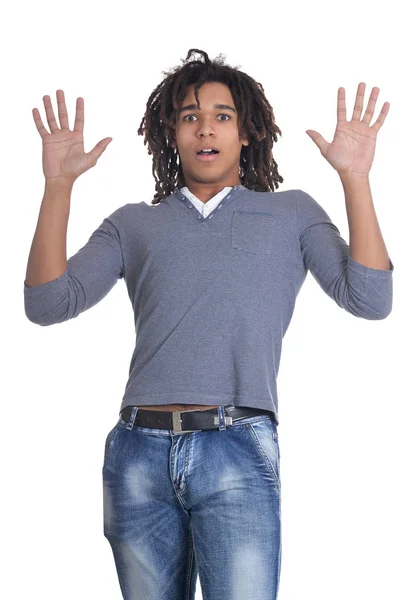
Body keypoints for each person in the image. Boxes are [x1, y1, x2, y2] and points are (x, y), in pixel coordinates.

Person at [24, 48, 394, 600]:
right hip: (136, 454)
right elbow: (48, 303)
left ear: (246, 133)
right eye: (191, 116)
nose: (206, 129)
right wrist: (58, 187)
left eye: (222, 115)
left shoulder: (292, 214)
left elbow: (369, 298)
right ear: (170, 131)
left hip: (236, 447)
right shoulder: (133, 223)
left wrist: (356, 179)